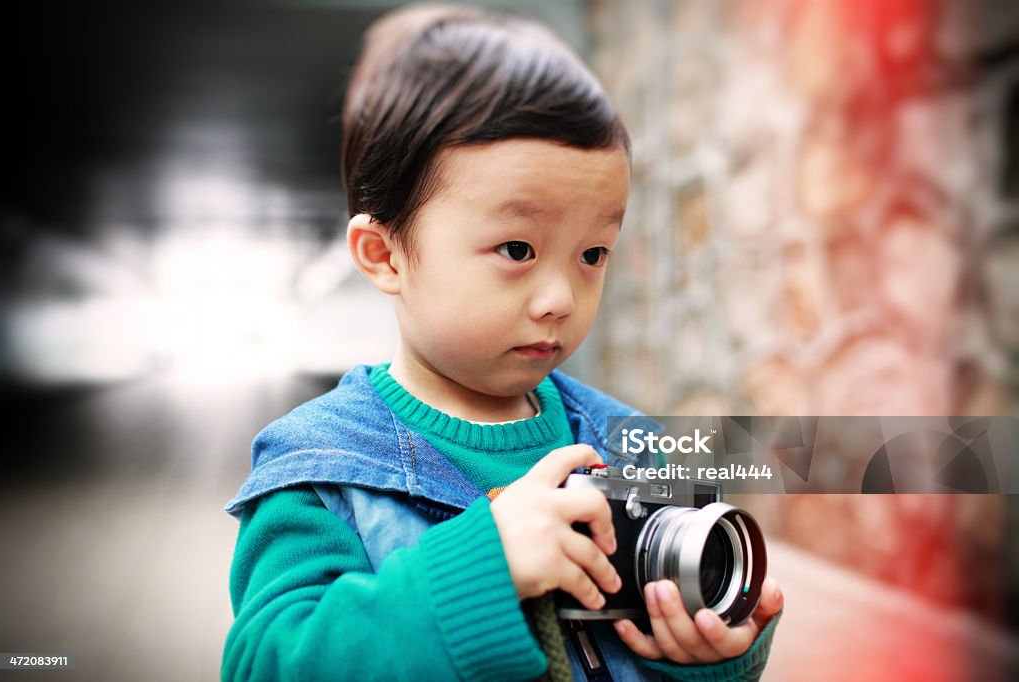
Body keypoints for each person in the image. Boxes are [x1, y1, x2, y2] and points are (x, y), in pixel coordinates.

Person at [221, 5, 782, 681]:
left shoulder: (629, 441)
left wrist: (712, 656)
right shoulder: (321, 469)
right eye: (517, 249)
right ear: (384, 254)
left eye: (593, 253)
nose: (561, 299)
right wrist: (480, 571)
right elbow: (266, 665)